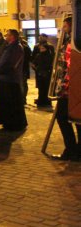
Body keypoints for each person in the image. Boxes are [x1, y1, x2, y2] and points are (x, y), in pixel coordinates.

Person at [52, 17, 80, 160]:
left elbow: (69, 65)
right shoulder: (72, 41)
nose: (63, 28)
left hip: (70, 88)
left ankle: (72, 150)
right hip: (71, 87)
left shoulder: (72, 43)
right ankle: (75, 150)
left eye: (65, 25)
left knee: (63, 117)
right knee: (76, 119)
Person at [0, 29, 28, 131]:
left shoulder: (15, 48)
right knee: (10, 104)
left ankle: (12, 123)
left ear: (12, 36)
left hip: (9, 79)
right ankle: (10, 122)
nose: (6, 37)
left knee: (11, 104)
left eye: (7, 35)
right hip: (8, 78)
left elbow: (9, 63)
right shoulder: (12, 47)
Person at [32, 42, 53, 108]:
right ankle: (41, 102)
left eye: (43, 48)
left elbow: (50, 65)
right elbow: (34, 63)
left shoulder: (50, 56)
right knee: (41, 89)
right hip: (40, 75)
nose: (41, 50)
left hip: (47, 75)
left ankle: (46, 102)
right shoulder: (38, 55)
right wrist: (37, 69)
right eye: (40, 48)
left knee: (46, 89)